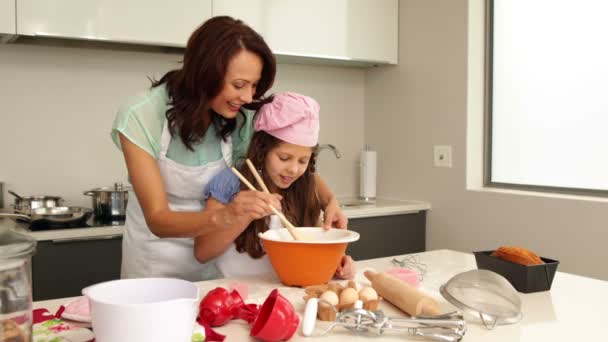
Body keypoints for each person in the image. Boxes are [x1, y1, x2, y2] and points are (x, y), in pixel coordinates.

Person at [111, 16, 347, 281]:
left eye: (254, 85)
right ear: (205, 74)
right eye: (238, 85)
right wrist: (226, 215)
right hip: (154, 261)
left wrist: (329, 200)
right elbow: (158, 219)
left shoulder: (240, 118)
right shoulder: (140, 115)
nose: (247, 97)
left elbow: (291, 164)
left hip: (214, 259)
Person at [194, 92, 356, 280]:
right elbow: (202, 252)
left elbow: (313, 248)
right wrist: (244, 215)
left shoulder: (304, 187)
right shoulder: (231, 181)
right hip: (237, 294)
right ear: (262, 150)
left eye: (303, 161)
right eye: (284, 158)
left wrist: (339, 262)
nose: (294, 170)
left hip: (288, 294)